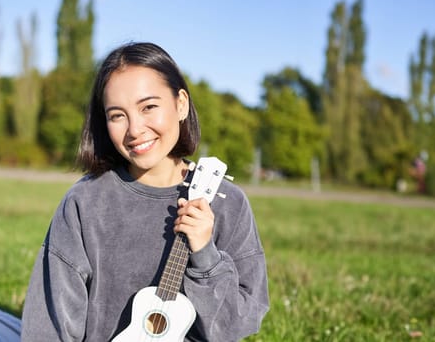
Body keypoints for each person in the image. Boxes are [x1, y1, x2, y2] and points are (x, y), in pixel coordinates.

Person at [20, 42, 269, 341]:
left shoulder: (230, 204)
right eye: (117, 115)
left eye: (148, 107)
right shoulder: (84, 202)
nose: (135, 129)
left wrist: (206, 256)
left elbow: (236, 326)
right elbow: (50, 322)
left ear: (181, 104)